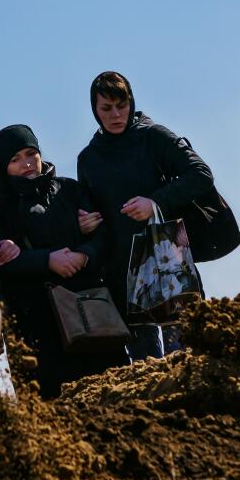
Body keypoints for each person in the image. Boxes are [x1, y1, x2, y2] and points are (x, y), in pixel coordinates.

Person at [76, 71, 219, 357]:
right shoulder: (88, 158)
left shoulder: (153, 136)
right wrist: (86, 223)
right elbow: (93, 211)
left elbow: (201, 174)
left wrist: (154, 203)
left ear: (131, 102)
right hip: (122, 273)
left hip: (170, 262)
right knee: (145, 364)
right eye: (106, 108)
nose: (116, 114)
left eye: (122, 105)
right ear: (95, 110)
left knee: (187, 353)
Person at [0, 123, 123, 398]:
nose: (27, 164)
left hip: (90, 313)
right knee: (50, 407)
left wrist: (84, 254)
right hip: (34, 324)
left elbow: (104, 236)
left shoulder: (71, 190)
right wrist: (46, 260)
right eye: (15, 159)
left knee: (111, 394)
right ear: (2, 167)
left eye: (31, 154)